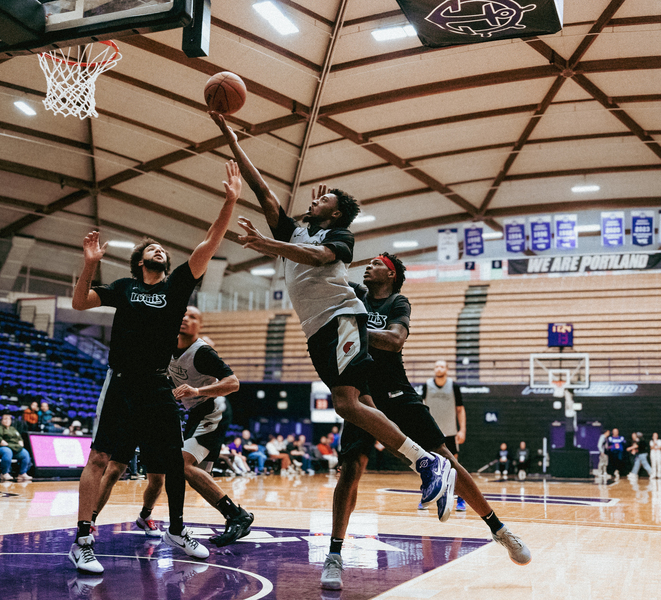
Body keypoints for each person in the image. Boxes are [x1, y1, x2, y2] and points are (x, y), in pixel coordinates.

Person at [211, 111, 454, 513]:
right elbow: (265, 192)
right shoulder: (296, 229)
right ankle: (427, 462)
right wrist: (232, 140)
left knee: (346, 403)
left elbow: (319, 257)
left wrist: (269, 245)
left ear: (336, 213)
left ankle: (428, 463)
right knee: (353, 405)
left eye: (323, 200)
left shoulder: (339, 235)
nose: (314, 199)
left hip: (342, 317)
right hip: (316, 328)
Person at [68, 160, 241, 573]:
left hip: (158, 386)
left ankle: (177, 529)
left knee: (171, 461)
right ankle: (82, 539)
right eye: (151, 249)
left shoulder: (177, 286)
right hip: (122, 383)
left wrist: (229, 201)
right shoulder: (125, 288)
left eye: (162, 248)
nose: (158, 249)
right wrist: (90, 262)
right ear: (139, 261)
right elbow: (80, 302)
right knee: (100, 459)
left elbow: (209, 242)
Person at [321, 254, 530, 590]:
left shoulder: (396, 301)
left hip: (395, 391)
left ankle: (499, 530)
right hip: (361, 392)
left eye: (375, 263)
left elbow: (393, 340)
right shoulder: (356, 296)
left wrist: (355, 327)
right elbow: (328, 273)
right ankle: (334, 555)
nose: (367, 266)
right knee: (352, 468)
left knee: (446, 457)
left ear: (389, 273)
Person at [98, 306, 253, 547]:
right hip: (192, 413)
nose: (185, 319)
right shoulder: (166, 346)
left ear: (199, 325)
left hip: (212, 410)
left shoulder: (202, 352)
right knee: (181, 471)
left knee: (180, 465)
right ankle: (231, 515)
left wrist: (198, 390)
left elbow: (233, 383)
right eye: (182, 315)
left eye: (192, 317)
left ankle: (236, 515)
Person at [421, 360, 467, 510]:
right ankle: (426, 497)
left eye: (441, 366)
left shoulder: (454, 386)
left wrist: (462, 430)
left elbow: (460, 410)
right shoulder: (426, 385)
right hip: (431, 432)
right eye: (436, 366)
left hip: (450, 433)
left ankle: (461, 499)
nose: (438, 368)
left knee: (454, 467)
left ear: (447, 369)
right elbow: (420, 408)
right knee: (428, 467)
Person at [0, 413, 32, 482]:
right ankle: (4, 473)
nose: (7, 420)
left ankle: (22, 473)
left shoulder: (13, 429)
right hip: (0, 447)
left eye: (9, 419)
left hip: (13, 447)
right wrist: (0, 440)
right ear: (1, 420)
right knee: (7, 452)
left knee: (25, 453)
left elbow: (19, 438)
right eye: (5, 419)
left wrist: (21, 441)